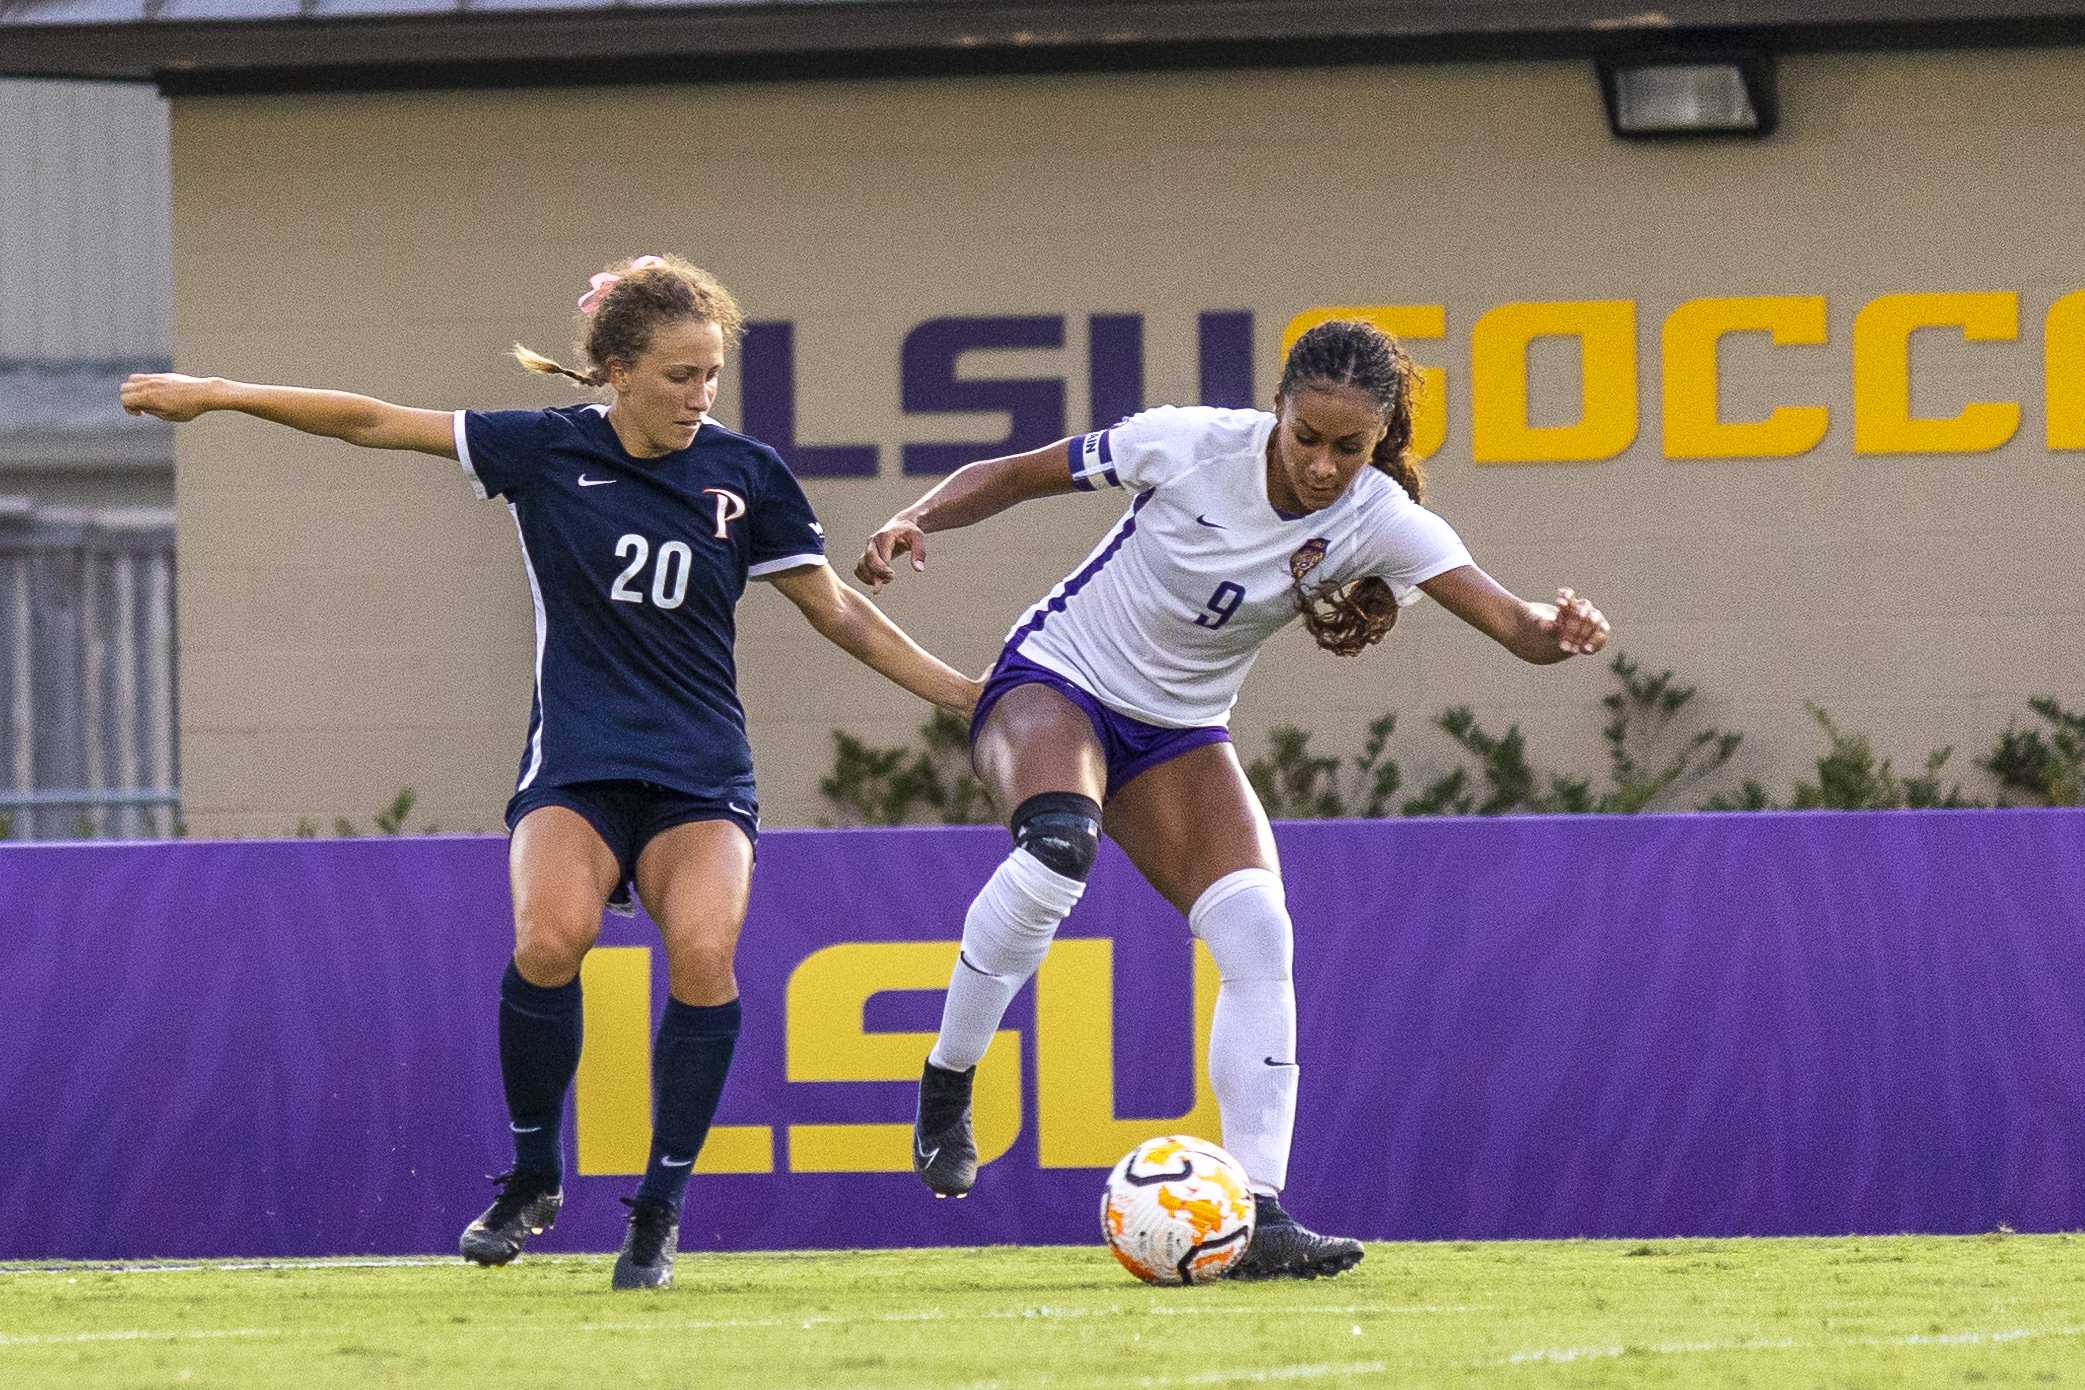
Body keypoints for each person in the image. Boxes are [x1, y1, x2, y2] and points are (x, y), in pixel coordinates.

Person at [122, 254, 979, 1292]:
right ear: (615, 371)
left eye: (711, 375)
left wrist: (964, 693)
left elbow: (837, 609)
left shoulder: (746, 476)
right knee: (546, 941)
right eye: (678, 375)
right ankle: (532, 1176)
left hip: (701, 774)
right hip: (576, 762)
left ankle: (657, 1211)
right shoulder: (543, 449)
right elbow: (370, 421)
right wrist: (217, 396)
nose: (698, 396)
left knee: (705, 956)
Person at [857, 318, 1610, 1280]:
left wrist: (1562, 628)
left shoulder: (1381, 517)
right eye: (1308, 438)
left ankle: (1256, 1214)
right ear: (1277, 413)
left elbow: (1514, 626)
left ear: (1379, 443)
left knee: (1259, 930)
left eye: (1351, 447)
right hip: (1056, 680)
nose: (1325, 466)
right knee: (1056, 851)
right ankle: (948, 1085)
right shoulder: (1190, 443)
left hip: (1178, 734)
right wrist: (917, 517)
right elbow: (1018, 472)